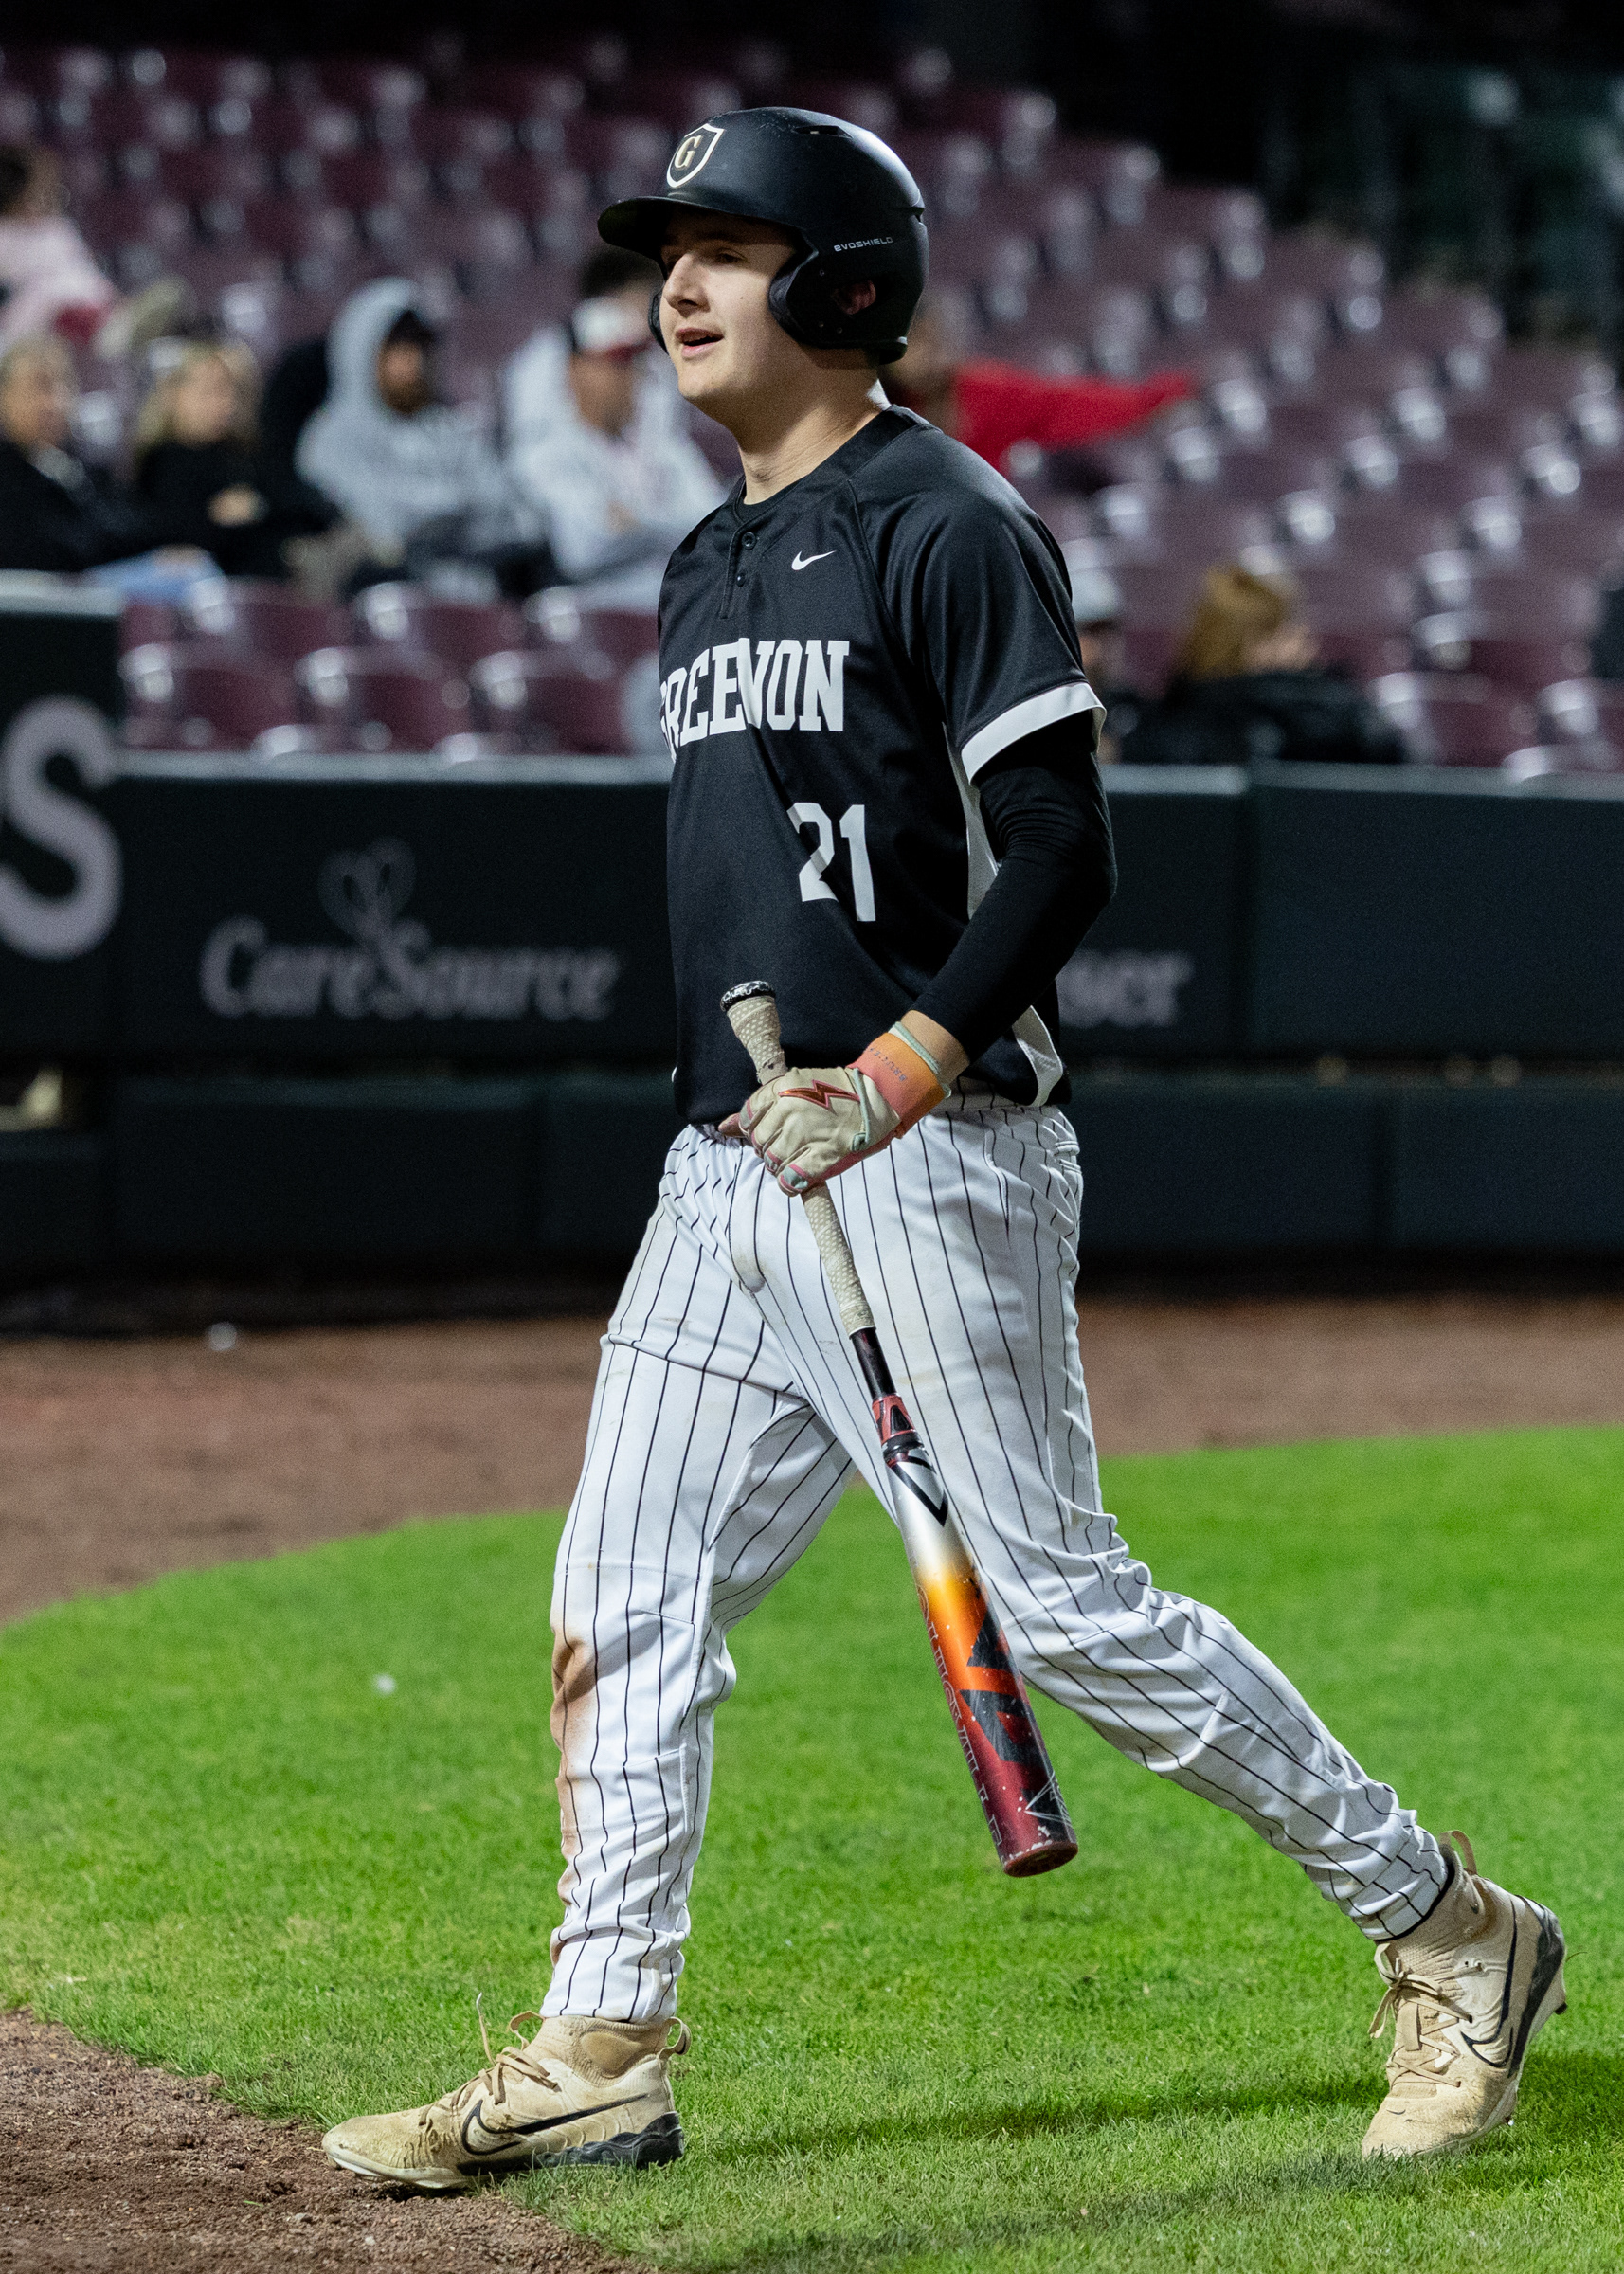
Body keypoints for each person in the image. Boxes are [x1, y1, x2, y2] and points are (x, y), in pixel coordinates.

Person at [321, 107, 1565, 2192]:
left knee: (1064, 1614)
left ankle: (1449, 1931)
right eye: (665, 249)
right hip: (731, 1160)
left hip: (927, 1149)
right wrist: (770, 1104)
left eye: (729, 247)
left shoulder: (948, 520)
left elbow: (1064, 849)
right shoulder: (701, 559)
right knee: (620, 1589)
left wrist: (894, 1071)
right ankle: (601, 2041)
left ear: (842, 284)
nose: (677, 285)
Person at [504, 245, 724, 608]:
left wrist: (637, 521)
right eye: (615, 364)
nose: (629, 376)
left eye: (630, 364)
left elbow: (713, 522)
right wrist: (667, 525)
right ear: (577, 370)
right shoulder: (543, 376)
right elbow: (584, 547)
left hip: (666, 584)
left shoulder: (653, 387)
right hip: (595, 600)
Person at [296, 279, 545, 590]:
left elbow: (518, 521)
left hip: (475, 598)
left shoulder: (450, 430)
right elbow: (383, 530)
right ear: (361, 350)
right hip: (384, 602)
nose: (414, 361)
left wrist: (442, 519)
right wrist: (458, 509)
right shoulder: (330, 439)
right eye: (398, 348)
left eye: (420, 347)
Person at [891, 287, 1192, 477]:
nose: (931, 353)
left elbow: (1060, 405)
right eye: (917, 340)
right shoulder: (869, 408)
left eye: (936, 340)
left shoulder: (980, 392)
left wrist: (1152, 400)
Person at [1129, 565, 1408, 767]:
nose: (1305, 637)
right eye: (1287, 628)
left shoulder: (1164, 719)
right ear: (1251, 643)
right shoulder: (1340, 718)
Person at [0, 332, 207, 587]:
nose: (55, 402)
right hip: (47, 596)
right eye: (40, 387)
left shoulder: (78, 465)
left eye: (64, 385)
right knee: (190, 577)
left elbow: (129, 520)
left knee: (194, 565)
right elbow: (59, 552)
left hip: (92, 584)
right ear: (5, 397)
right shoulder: (9, 475)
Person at [131, 339, 337, 582]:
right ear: (172, 394)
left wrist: (259, 507)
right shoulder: (160, 462)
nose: (223, 403)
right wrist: (216, 518)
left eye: (230, 391)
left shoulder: (245, 454)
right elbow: (169, 536)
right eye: (208, 391)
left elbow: (306, 506)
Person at [0, 142, 187, 361]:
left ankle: (126, 326)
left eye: (49, 190)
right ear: (15, 194)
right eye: (37, 192)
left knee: (85, 294)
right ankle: (112, 333)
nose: (49, 197)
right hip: (30, 327)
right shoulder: (5, 236)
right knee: (51, 292)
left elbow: (88, 274)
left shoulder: (59, 230)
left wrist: (116, 301)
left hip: (91, 311)